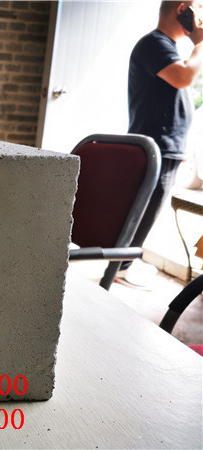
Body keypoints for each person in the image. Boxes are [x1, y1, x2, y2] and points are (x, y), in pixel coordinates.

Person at [118, 0, 203, 286]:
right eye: (198, 8)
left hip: (166, 145)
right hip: (157, 144)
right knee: (144, 209)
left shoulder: (166, 47)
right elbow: (183, 77)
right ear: (183, 9)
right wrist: (200, 43)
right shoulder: (154, 44)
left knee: (147, 208)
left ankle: (123, 263)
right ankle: (121, 266)